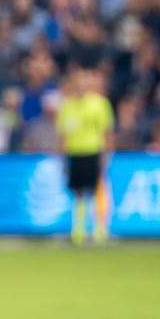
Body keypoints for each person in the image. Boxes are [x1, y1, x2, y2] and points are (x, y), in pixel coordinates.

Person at [56, 67, 114, 245]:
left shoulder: (99, 104)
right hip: (75, 152)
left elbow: (107, 132)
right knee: (79, 192)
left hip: (93, 150)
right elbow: (63, 135)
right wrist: (62, 158)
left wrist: (107, 153)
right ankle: (78, 230)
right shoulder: (67, 106)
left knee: (97, 189)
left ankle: (100, 230)